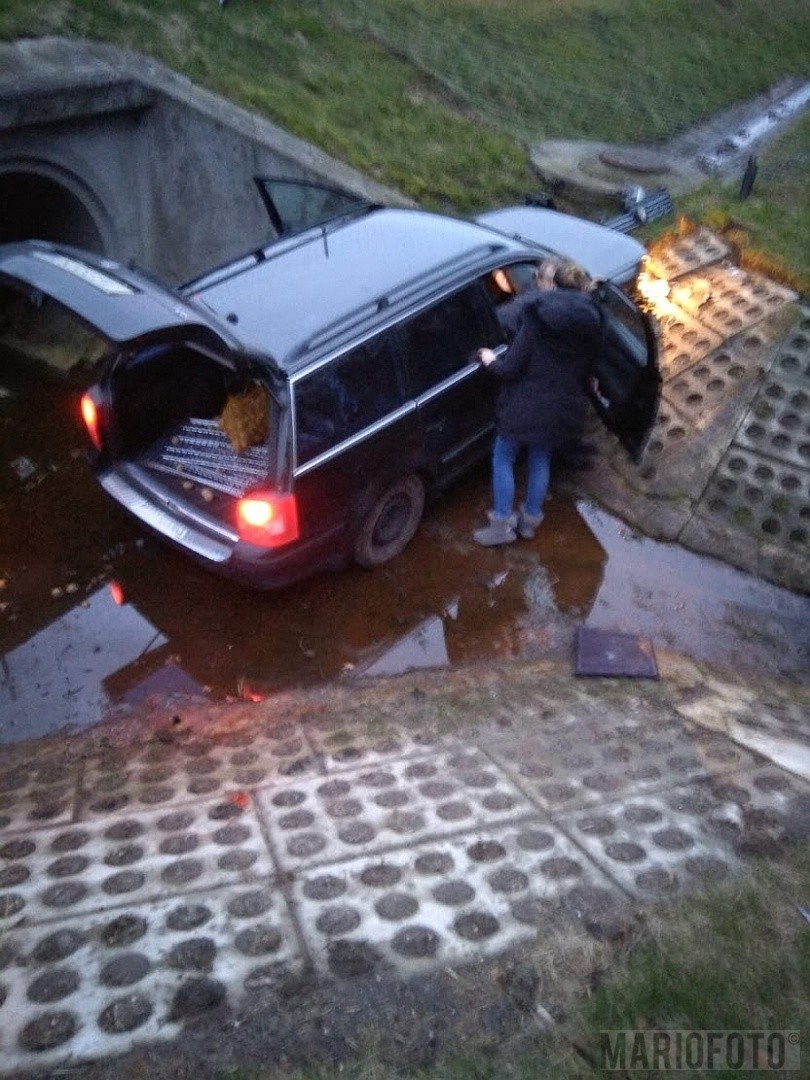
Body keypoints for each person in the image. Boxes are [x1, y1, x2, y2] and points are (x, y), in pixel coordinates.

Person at [473, 258, 604, 546]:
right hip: (563, 407)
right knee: (540, 458)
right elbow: (591, 368)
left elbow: (509, 370)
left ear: (553, 285)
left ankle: (501, 525)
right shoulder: (594, 320)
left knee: (503, 456)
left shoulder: (536, 319)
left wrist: (489, 359)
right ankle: (529, 523)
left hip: (526, 405)